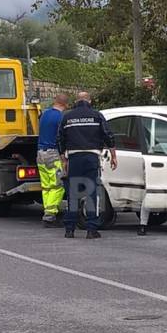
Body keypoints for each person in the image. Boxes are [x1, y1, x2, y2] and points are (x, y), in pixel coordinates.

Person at [57, 91, 117, 239]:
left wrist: (63, 159)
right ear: (89, 101)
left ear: (76, 101)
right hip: (91, 157)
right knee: (91, 193)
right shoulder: (96, 115)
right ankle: (91, 229)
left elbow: (60, 139)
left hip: (74, 158)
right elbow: (108, 135)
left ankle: (69, 229)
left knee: (73, 193)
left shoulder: (67, 117)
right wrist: (113, 155)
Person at [37, 93, 68, 227]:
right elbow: (61, 138)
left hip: (40, 153)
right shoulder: (61, 118)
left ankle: (47, 212)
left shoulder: (45, 114)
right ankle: (50, 216)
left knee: (46, 186)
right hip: (53, 154)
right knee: (58, 185)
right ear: (65, 105)